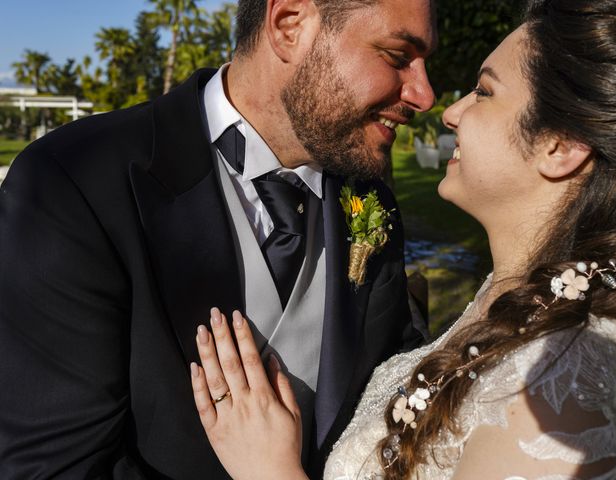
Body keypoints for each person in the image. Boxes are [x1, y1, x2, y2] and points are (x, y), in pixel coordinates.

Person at [189, 0, 616, 478]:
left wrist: (270, 470)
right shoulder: (511, 296)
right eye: (396, 55)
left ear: (561, 145)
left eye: (484, 92)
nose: (443, 109)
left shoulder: (566, 382)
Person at [0, 0, 436, 478]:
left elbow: (389, 398)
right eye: (397, 57)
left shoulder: (372, 205)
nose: (425, 95)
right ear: (290, 26)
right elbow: (54, 468)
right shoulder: (73, 182)